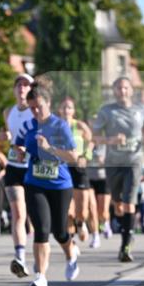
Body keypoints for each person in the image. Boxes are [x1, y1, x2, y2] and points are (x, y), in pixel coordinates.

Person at [14, 80, 79, 286]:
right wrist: (20, 152)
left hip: (60, 185)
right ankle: (41, 277)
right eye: (31, 108)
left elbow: (73, 156)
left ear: (48, 103)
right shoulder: (29, 126)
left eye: (38, 107)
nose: (35, 111)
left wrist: (49, 148)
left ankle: (71, 254)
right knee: (41, 230)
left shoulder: (60, 126)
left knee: (60, 231)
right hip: (35, 183)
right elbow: (19, 146)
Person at [92, 77, 144, 263]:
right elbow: (94, 137)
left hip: (133, 161)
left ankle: (126, 244)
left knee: (129, 201)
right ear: (114, 91)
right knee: (117, 204)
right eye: (118, 88)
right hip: (113, 163)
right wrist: (110, 141)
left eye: (125, 88)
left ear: (131, 90)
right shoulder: (106, 111)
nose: (122, 91)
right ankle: (126, 230)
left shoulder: (141, 110)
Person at [0, 73, 35, 277]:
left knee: (36, 216)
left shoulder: (36, 112)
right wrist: (5, 138)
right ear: (14, 90)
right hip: (13, 167)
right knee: (18, 214)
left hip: (33, 168)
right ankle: (20, 257)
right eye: (18, 85)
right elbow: (12, 137)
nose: (22, 88)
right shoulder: (8, 112)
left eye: (26, 85)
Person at [58, 97, 99, 247]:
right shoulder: (56, 126)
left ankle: (81, 223)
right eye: (64, 107)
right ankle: (71, 241)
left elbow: (92, 142)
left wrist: (85, 156)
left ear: (73, 111)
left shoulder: (80, 126)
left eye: (69, 107)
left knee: (82, 210)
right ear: (59, 110)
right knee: (68, 209)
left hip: (79, 168)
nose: (66, 110)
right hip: (63, 168)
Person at [87, 143, 112, 238]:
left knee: (103, 211)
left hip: (103, 178)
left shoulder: (106, 143)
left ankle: (105, 223)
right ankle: (95, 235)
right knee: (92, 208)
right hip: (88, 178)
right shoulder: (86, 143)